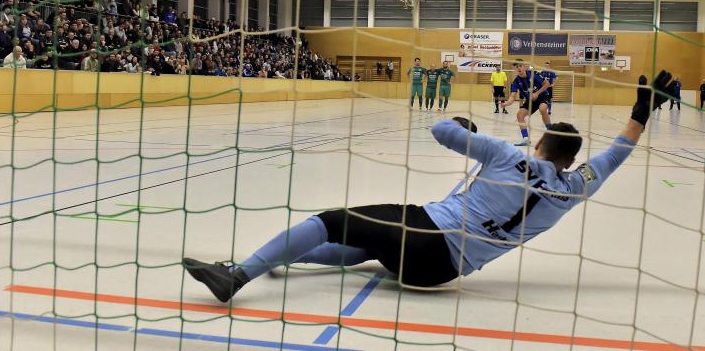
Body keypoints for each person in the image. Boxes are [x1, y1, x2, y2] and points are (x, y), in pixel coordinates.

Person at [180, 72, 674, 303]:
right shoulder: (573, 190)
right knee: (361, 248)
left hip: (428, 231)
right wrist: (640, 113)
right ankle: (274, 260)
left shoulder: (508, 155)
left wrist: (464, 125)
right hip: (441, 274)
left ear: (541, 141)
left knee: (332, 221)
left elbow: (441, 132)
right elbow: (616, 154)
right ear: (572, 161)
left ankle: (237, 277)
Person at [501, 62, 551, 146]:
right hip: (531, 100)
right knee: (520, 114)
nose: (519, 68)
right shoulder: (516, 82)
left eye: (520, 66)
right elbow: (513, 96)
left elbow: (547, 84)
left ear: (524, 67)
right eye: (517, 67)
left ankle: (550, 131)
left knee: (542, 109)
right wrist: (507, 103)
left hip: (542, 96)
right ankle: (525, 138)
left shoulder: (533, 74)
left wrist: (537, 93)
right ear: (514, 70)